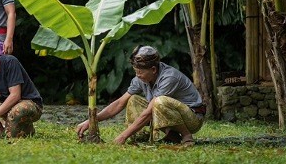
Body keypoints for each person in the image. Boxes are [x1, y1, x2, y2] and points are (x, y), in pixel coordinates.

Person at [75, 45, 205, 146]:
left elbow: (149, 112)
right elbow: (120, 103)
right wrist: (92, 120)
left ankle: (187, 137)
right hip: (173, 114)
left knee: (159, 102)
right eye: (136, 71)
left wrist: (123, 136)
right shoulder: (141, 79)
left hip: (193, 118)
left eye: (140, 72)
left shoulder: (169, 77)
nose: (137, 75)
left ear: (153, 69)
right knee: (133, 100)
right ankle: (171, 135)